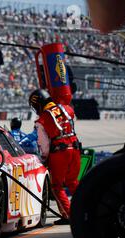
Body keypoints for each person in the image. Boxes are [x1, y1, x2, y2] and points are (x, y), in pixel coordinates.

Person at [29, 89, 81, 225]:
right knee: (73, 182)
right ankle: (86, 209)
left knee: (56, 186)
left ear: (39, 104)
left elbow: (44, 145)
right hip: (75, 148)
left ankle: (68, 215)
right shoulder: (67, 109)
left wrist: (44, 159)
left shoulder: (41, 120)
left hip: (59, 152)